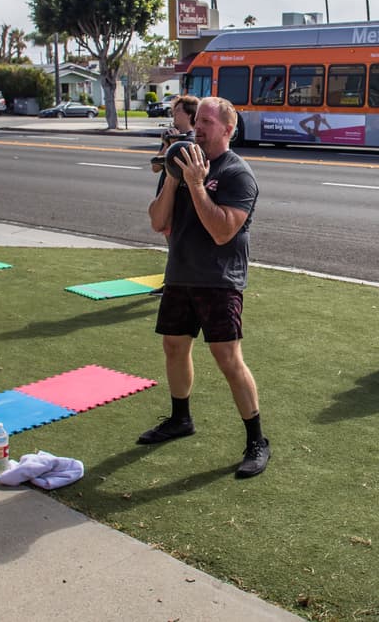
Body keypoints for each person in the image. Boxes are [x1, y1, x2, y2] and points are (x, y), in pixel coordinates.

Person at [140, 96, 269, 478]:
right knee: (174, 346)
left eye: (208, 122)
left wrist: (196, 185)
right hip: (180, 273)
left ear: (227, 129)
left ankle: (257, 440)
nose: (199, 126)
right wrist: (173, 178)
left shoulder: (236, 174)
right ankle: (181, 419)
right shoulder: (180, 162)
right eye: (197, 120)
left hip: (219, 280)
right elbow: (157, 221)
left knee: (227, 359)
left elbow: (222, 231)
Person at [149, 95, 199, 296]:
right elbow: (155, 166)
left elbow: (173, 163)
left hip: (180, 202)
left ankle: (177, 284)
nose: (173, 114)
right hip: (167, 197)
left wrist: (171, 144)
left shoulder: (191, 140)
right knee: (172, 244)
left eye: (177, 111)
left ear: (189, 114)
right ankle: (172, 282)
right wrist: (166, 143)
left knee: (179, 246)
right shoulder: (173, 138)